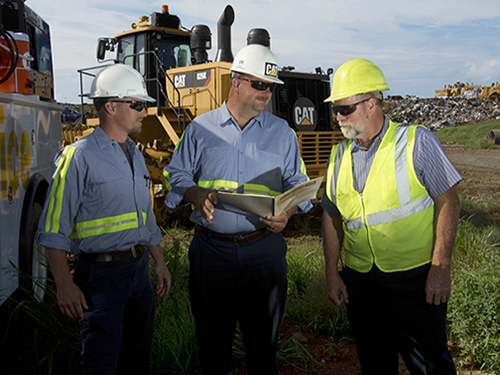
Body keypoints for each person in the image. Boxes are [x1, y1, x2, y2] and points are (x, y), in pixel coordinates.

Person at [163, 44, 312, 374]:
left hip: (265, 253)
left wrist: (286, 213)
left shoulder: (282, 133)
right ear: (236, 82)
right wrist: (194, 191)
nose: (266, 93)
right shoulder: (200, 129)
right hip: (211, 255)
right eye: (259, 84)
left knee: (263, 350)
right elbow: (174, 173)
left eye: (270, 87)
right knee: (213, 349)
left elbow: (298, 183)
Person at [322, 58, 462, 374]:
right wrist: (332, 273)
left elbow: (449, 202)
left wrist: (440, 268)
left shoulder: (416, 142)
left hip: (415, 281)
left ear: (371, 104)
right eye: (336, 110)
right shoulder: (338, 155)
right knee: (375, 365)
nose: (338, 117)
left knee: (430, 365)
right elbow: (331, 217)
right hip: (361, 284)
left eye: (345, 109)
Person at [37, 64, 171, 375]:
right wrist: (64, 284)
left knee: (138, 357)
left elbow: (145, 218)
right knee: (101, 362)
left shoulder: (136, 154)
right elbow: (52, 229)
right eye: (137, 104)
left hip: (139, 273)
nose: (144, 112)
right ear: (110, 106)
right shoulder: (78, 157)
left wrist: (159, 262)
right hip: (101, 277)